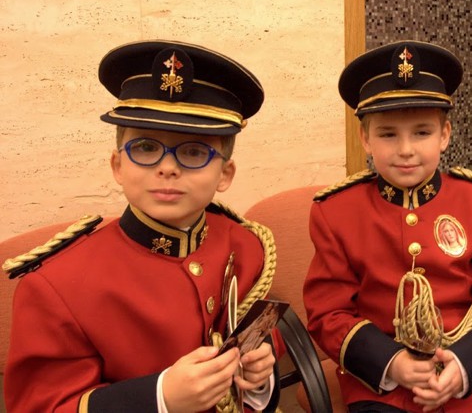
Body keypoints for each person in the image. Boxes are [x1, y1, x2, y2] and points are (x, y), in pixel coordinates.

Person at [3, 40, 281, 412]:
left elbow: (255, 339)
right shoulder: (57, 285)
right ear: (118, 166)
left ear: (225, 174)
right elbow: (42, 406)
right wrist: (159, 397)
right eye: (146, 148)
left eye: (194, 152)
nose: (167, 167)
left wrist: (260, 378)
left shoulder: (245, 245)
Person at [304, 41, 472, 412]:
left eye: (422, 133)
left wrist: (464, 365)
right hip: (382, 386)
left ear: (445, 135)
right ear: (365, 139)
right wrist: (392, 363)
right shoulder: (336, 212)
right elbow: (328, 313)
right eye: (388, 134)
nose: (405, 149)